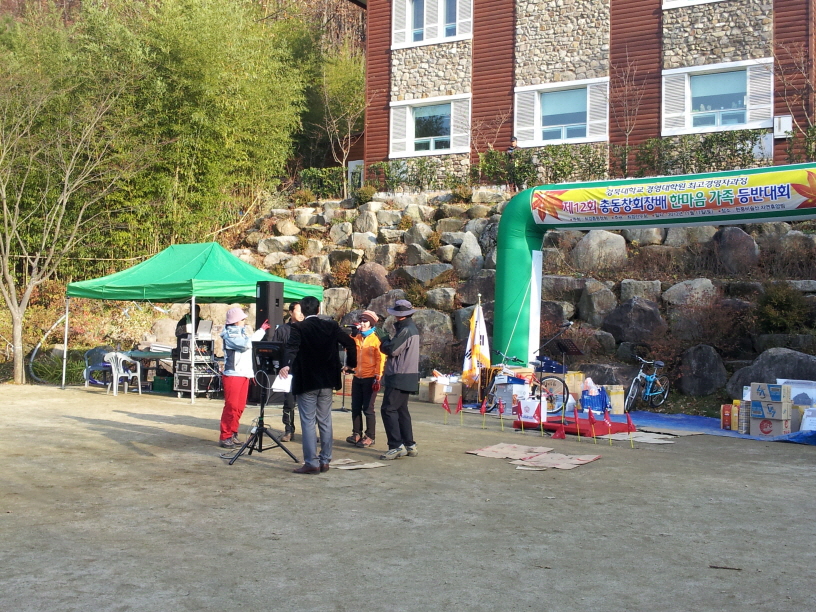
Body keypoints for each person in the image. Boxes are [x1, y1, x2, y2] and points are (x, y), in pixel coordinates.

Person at [278, 296, 356, 474]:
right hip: (327, 380)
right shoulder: (331, 326)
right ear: (318, 309)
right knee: (325, 420)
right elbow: (350, 343)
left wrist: (286, 365)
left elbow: (291, 348)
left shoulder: (299, 327)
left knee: (308, 421)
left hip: (307, 381)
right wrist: (351, 364)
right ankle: (325, 460)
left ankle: (311, 462)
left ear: (303, 311)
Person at [376, 299, 420, 460]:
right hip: (408, 374)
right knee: (401, 410)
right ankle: (409, 444)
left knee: (388, 409)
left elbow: (392, 350)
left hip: (399, 375)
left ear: (399, 315)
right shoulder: (410, 328)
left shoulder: (406, 330)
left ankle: (396, 446)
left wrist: (383, 339)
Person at [218, 307, 268, 448]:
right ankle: (225, 436)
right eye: (242, 319)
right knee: (232, 406)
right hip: (233, 375)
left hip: (243, 374)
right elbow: (246, 345)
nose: (244, 321)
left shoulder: (240, 333)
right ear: (235, 321)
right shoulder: (229, 334)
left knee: (239, 407)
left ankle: (233, 433)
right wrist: (261, 331)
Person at [346, 310, 386, 448]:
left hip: (371, 377)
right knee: (355, 407)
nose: (362, 324)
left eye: (365, 321)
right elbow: (349, 350)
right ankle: (356, 433)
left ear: (371, 324)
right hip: (358, 376)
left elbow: (381, 359)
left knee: (368, 408)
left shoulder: (376, 339)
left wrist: (378, 376)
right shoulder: (357, 337)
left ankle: (370, 436)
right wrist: (352, 336)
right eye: (361, 321)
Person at [268, 301, 304, 442]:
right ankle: (289, 430)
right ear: (290, 312)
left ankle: (310, 432)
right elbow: (275, 350)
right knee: (289, 402)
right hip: (288, 372)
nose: (301, 314)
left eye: (303, 311)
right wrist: (280, 367)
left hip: (305, 372)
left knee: (309, 404)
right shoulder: (282, 330)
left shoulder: (308, 328)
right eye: (298, 310)